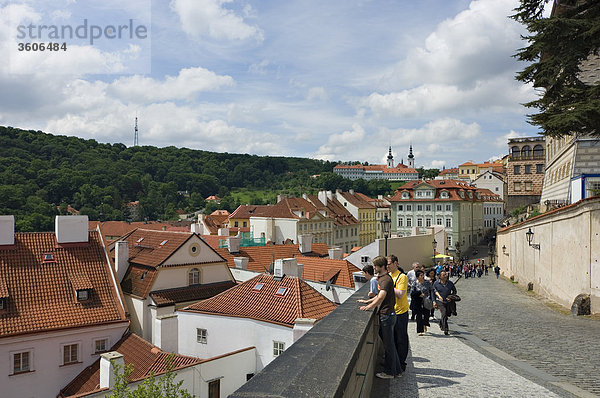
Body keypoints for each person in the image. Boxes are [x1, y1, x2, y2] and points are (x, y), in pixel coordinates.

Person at [358, 256, 401, 378]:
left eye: (375, 266)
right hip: (389, 314)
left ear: (381, 267)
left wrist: (369, 307)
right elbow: (379, 296)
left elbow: (381, 297)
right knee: (390, 344)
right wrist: (368, 301)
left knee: (389, 346)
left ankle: (389, 372)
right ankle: (397, 370)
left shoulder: (385, 280)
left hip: (387, 315)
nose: (374, 268)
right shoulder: (384, 278)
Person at [387, 254, 409, 373]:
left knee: (401, 338)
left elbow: (400, 293)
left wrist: (389, 286)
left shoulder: (402, 277)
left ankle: (401, 363)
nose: (387, 266)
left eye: (389, 264)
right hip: (392, 311)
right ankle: (394, 362)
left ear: (396, 263)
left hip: (401, 312)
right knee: (393, 339)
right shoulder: (389, 275)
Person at [433, 270, 457, 335]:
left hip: (448, 301)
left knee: (446, 314)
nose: (445, 276)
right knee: (444, 312)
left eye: (446, 274)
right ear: (440, 276)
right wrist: (434, 302)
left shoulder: (450, 283)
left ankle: (441, 322)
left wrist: (450, 297)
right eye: (443, 275)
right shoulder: (436, 283)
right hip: (439, 301)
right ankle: (445, 329)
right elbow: (433, 293)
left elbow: (454, 291)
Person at [410, 269, 432, 336]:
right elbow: (411, 293)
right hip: (418, 301)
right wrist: (419, 294)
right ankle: (419, 330)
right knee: (419, 316)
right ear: (417, 277)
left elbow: (432, 290)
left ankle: (425, 323)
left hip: (426, 301)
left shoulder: (427, 283)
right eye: (421, 275)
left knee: (426, 315)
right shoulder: (415, 283)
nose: (422, 276)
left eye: (423, 275)